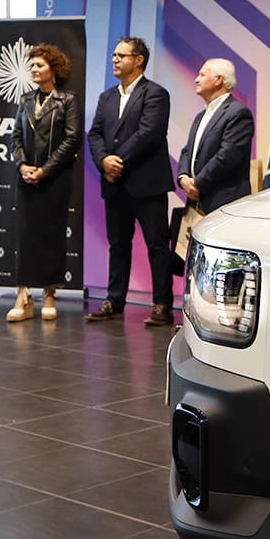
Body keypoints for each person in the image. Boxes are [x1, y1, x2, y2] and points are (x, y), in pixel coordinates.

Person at [86, 36, 175, 327]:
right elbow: (95, 134)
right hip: (115, 185)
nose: (114, 59)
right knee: (118, 245)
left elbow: (148, 134)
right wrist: (103, 161)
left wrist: (117, 162)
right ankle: (114, 301)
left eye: (121, 55)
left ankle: (162, 305)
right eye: (114, 55)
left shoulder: (155, 94)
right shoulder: (107, 97)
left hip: (146, 183)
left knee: (157, 246)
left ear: (138, 60)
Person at [6, 43, 82, 323]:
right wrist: (22, 165)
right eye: (33, 65)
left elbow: (72, 139)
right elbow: (15, 137)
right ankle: (22, 296)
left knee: (52, 236)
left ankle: (49, 294)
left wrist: (45, 170)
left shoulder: (68, 100)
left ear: (54, 69)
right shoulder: (25, 99)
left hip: (55, 180)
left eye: (39, 65)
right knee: (24, 236)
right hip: (26, 179)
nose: (34, 70)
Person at [177, 59, 254, 213]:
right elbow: (187, 151)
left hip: (225, 202)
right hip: (198, 201)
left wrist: (197, 184)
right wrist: (183, 178)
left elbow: (227, 156)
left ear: (218, 80)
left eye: (202, 75)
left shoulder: (238, 113)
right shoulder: (201, 116)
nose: (196, 79)